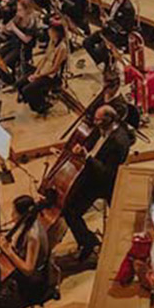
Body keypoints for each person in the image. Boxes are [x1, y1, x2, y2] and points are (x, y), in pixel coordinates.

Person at [62, 105, 133, 261]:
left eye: (97, 119)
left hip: (103, 183)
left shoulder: (119, 142)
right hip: (92, 173)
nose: (94, 122)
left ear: (108, 120)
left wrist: (87, 157)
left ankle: (89, 243)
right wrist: (82, 150)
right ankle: (88, 240)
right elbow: (95, 147)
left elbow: (107, 173)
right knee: (68, 205)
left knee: (69, 210)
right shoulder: (103, 129)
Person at [19, 21, 69, 116]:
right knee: (21, 82)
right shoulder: (52, 41)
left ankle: (41, 105)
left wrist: (38, 76)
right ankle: (31, 99)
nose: (49, 32)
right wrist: (36, 72)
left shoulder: (62, 48)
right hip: (43, 71)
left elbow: (55, 68)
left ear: (56, 32)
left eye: (51, 31)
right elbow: (45, 58)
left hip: (51, 75)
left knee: (27, 89)